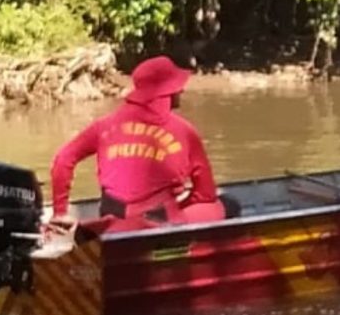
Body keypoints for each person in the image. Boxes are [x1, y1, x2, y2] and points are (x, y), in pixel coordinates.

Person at [50, 55, 225, 230]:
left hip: (111, 216)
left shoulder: (105, 125)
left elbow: (62, 159)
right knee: (219, 205)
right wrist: (182, 203)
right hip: (158, 220)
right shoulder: (185, 131)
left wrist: (60, 213)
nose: (181, 91)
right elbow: (205, 194)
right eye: (177, 87)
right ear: (168, 92)